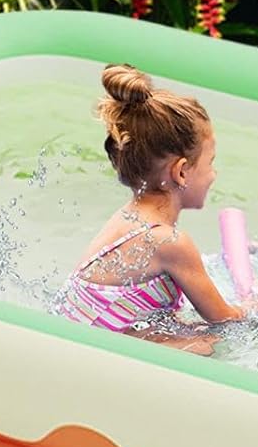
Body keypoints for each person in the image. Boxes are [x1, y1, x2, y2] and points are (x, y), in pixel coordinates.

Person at [56, 63, 246, 352]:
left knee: (187, 331)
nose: (213, 175)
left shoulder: (127, 218)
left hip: (75, 341)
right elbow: (225, 319)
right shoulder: (171, 243)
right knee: (211, 342)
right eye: (210, 163)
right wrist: (255, 304)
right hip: (91, 355)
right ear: (181, 172)